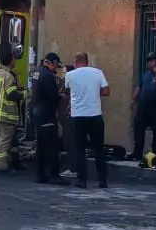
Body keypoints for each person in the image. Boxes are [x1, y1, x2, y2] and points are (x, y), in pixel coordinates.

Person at [64, 52, 110, 189]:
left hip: (78, 116)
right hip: (95, 115)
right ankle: (102, 180)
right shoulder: (97, 73)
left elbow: (68, 91)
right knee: (98, 149)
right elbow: (107, 91)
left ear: (75, 61)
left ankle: (82, 180)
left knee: (79, 149)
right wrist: (95, 93)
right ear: (87, 61)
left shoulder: (70, 75)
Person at [32, 52, 66, 184]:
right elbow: (52, 97)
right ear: (51, 62)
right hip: (47, 114)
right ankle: (54, 175)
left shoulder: (37, 73)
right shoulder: (48, 76)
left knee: (41, 146)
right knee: (52, 146)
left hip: (38, 114)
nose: (56, 68)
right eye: (56, 65)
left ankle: (40, 174)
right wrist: (60, 97)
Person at [132, 51, 156, 168]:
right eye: (149, 61)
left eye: (152, 61)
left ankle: (155, 155)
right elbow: (140, 86)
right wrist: (133, 99)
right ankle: (137, 152)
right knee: (138, 127)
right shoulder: (145, 74)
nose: (150, 63)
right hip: (143, 106)